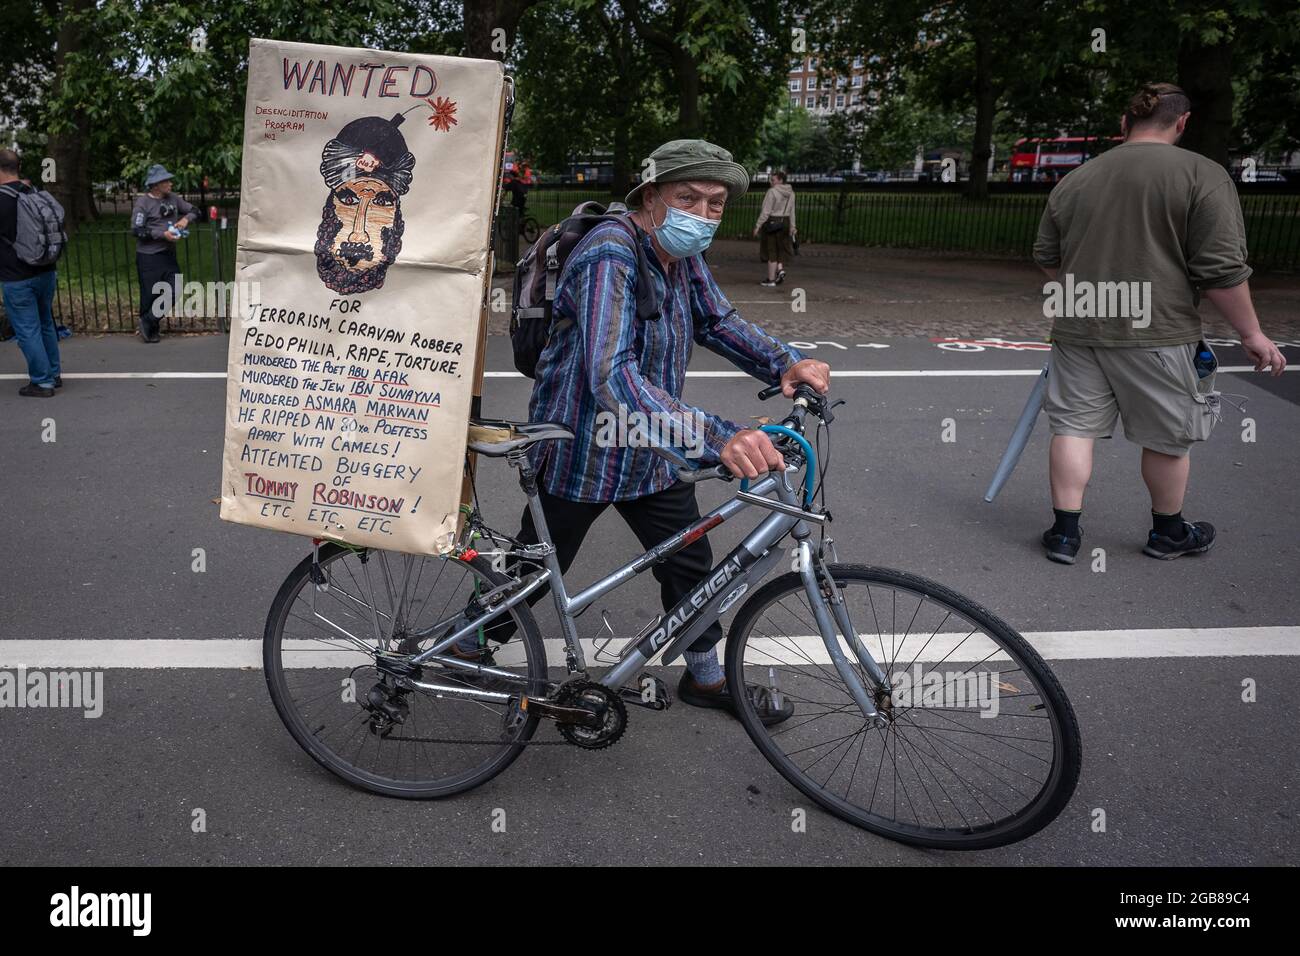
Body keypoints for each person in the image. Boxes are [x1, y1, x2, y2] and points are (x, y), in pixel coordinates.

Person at [460, 139, 830, 723]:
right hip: (581, 446)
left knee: (689, 562)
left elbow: (716, 319)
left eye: (715, 204)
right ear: (651, 196)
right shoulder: (611, 254)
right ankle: (466, 643)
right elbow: (610, 374)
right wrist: (718, 437)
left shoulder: (679, 256)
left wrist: (783, 362)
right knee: (536, 570)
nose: (703, 215)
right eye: (689, 198)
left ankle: (706, 680)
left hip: (651, 447)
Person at [1032, 82, 1286, 564]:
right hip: (1160, 329)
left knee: (1073, 428)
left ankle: (1064, 534)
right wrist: (1250, 333)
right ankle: (1167, 531)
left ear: (1124, 124)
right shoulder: (1201, 174)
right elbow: (1221, 270)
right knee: (1168, 435)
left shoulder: (1078, 179)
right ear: (1183, 122)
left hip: (1081, 323)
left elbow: (1048, 256)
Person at [0, 149, 61, 397]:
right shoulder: (33, 193)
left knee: (27, 330)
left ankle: (42, 381)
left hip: (16, 276)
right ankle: (54, 373)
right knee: (45, 322)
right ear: (19, 166)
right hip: (46, 270)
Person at [132, 164, 198, 342]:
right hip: (148, 257)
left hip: (168, 256)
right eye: (166, 181)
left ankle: (149, 320)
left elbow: (195, 210)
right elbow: (137, 230)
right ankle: (150, 329)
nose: (170, 184)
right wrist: (163, 235)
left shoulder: (173, 199)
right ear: (155, 185)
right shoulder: (143, 203)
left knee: (175, 289)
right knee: (150, 294)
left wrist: (185, 219)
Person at [753, 170, 796, 286]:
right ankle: (780, 270)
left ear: (780, 180)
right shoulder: (791, 193)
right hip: (785, 222)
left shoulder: (772, 192)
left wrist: (758, 225)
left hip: (773, 222)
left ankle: (771, 279)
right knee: (781, 248)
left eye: (773, 180)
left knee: (771, 250)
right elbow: (792, 212)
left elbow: (766, 212)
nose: (770, 182)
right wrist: (793, 226)